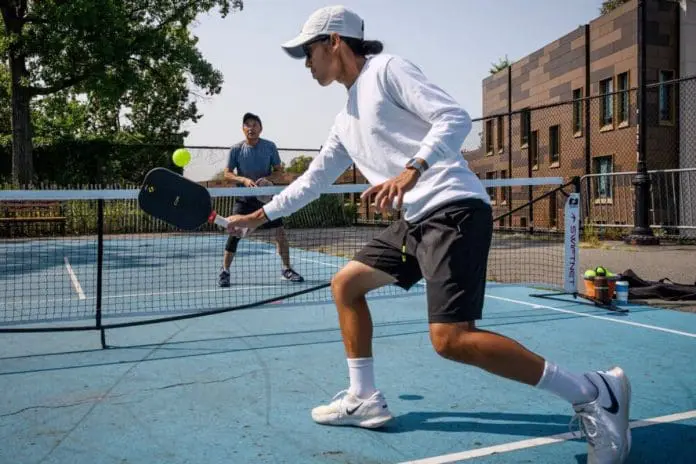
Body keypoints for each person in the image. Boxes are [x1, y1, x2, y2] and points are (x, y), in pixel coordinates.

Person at [224, 6, 631, 463]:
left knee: (451, 339)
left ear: (334, 41)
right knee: (347, 284)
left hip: (451, 207)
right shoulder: (344, 120)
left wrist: (411, 170)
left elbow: (454, 118)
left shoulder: (388, 70)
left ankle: (594, 391)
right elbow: (313, 181)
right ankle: (364, 397)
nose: (306, 62)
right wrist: (259, 215)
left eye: (308, 50)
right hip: (415, 221)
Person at [218, 112, 304, 287]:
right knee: (235, 235)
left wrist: (269, 180)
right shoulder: (236, 149)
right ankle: (225, 271)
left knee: (280, 234)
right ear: (243, 129)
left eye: (254, 124)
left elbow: (279, 171)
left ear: (260, 128)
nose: (251, 128)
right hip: (244, 199)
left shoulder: (270, 147)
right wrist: (243, 179)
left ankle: (286, 269)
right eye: (247, 125)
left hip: (267, 199)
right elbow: (227, 174)